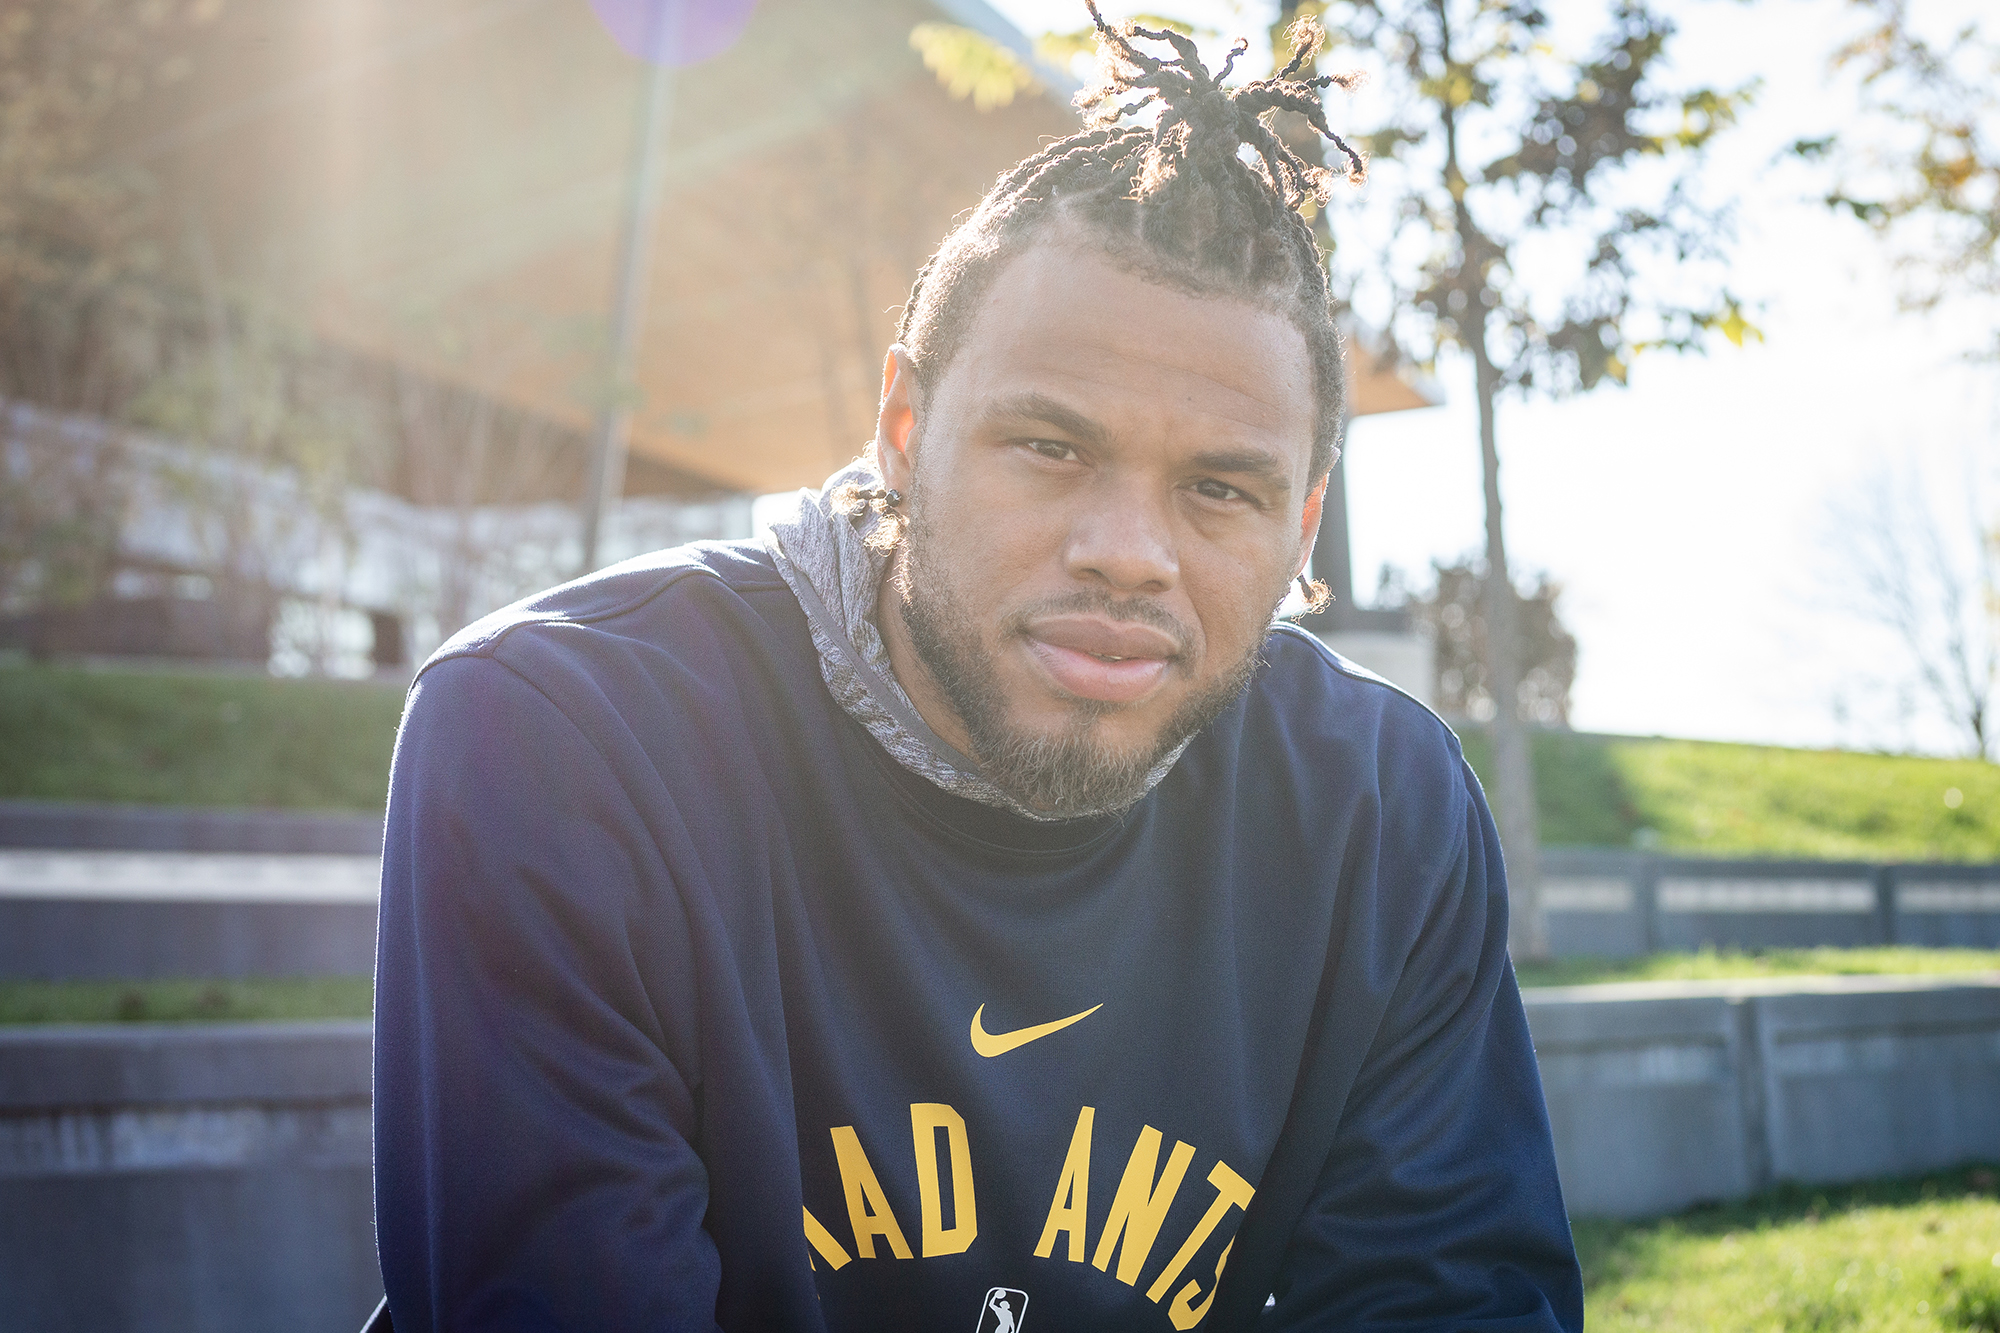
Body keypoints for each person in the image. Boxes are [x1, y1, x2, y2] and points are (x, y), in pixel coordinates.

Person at [371, 7, 1584, 1331]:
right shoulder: (565, 738)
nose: (1128, 554)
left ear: (1302, 527)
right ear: (904, 431)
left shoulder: (1381, 812)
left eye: (1219, 488)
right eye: (1051, 448)